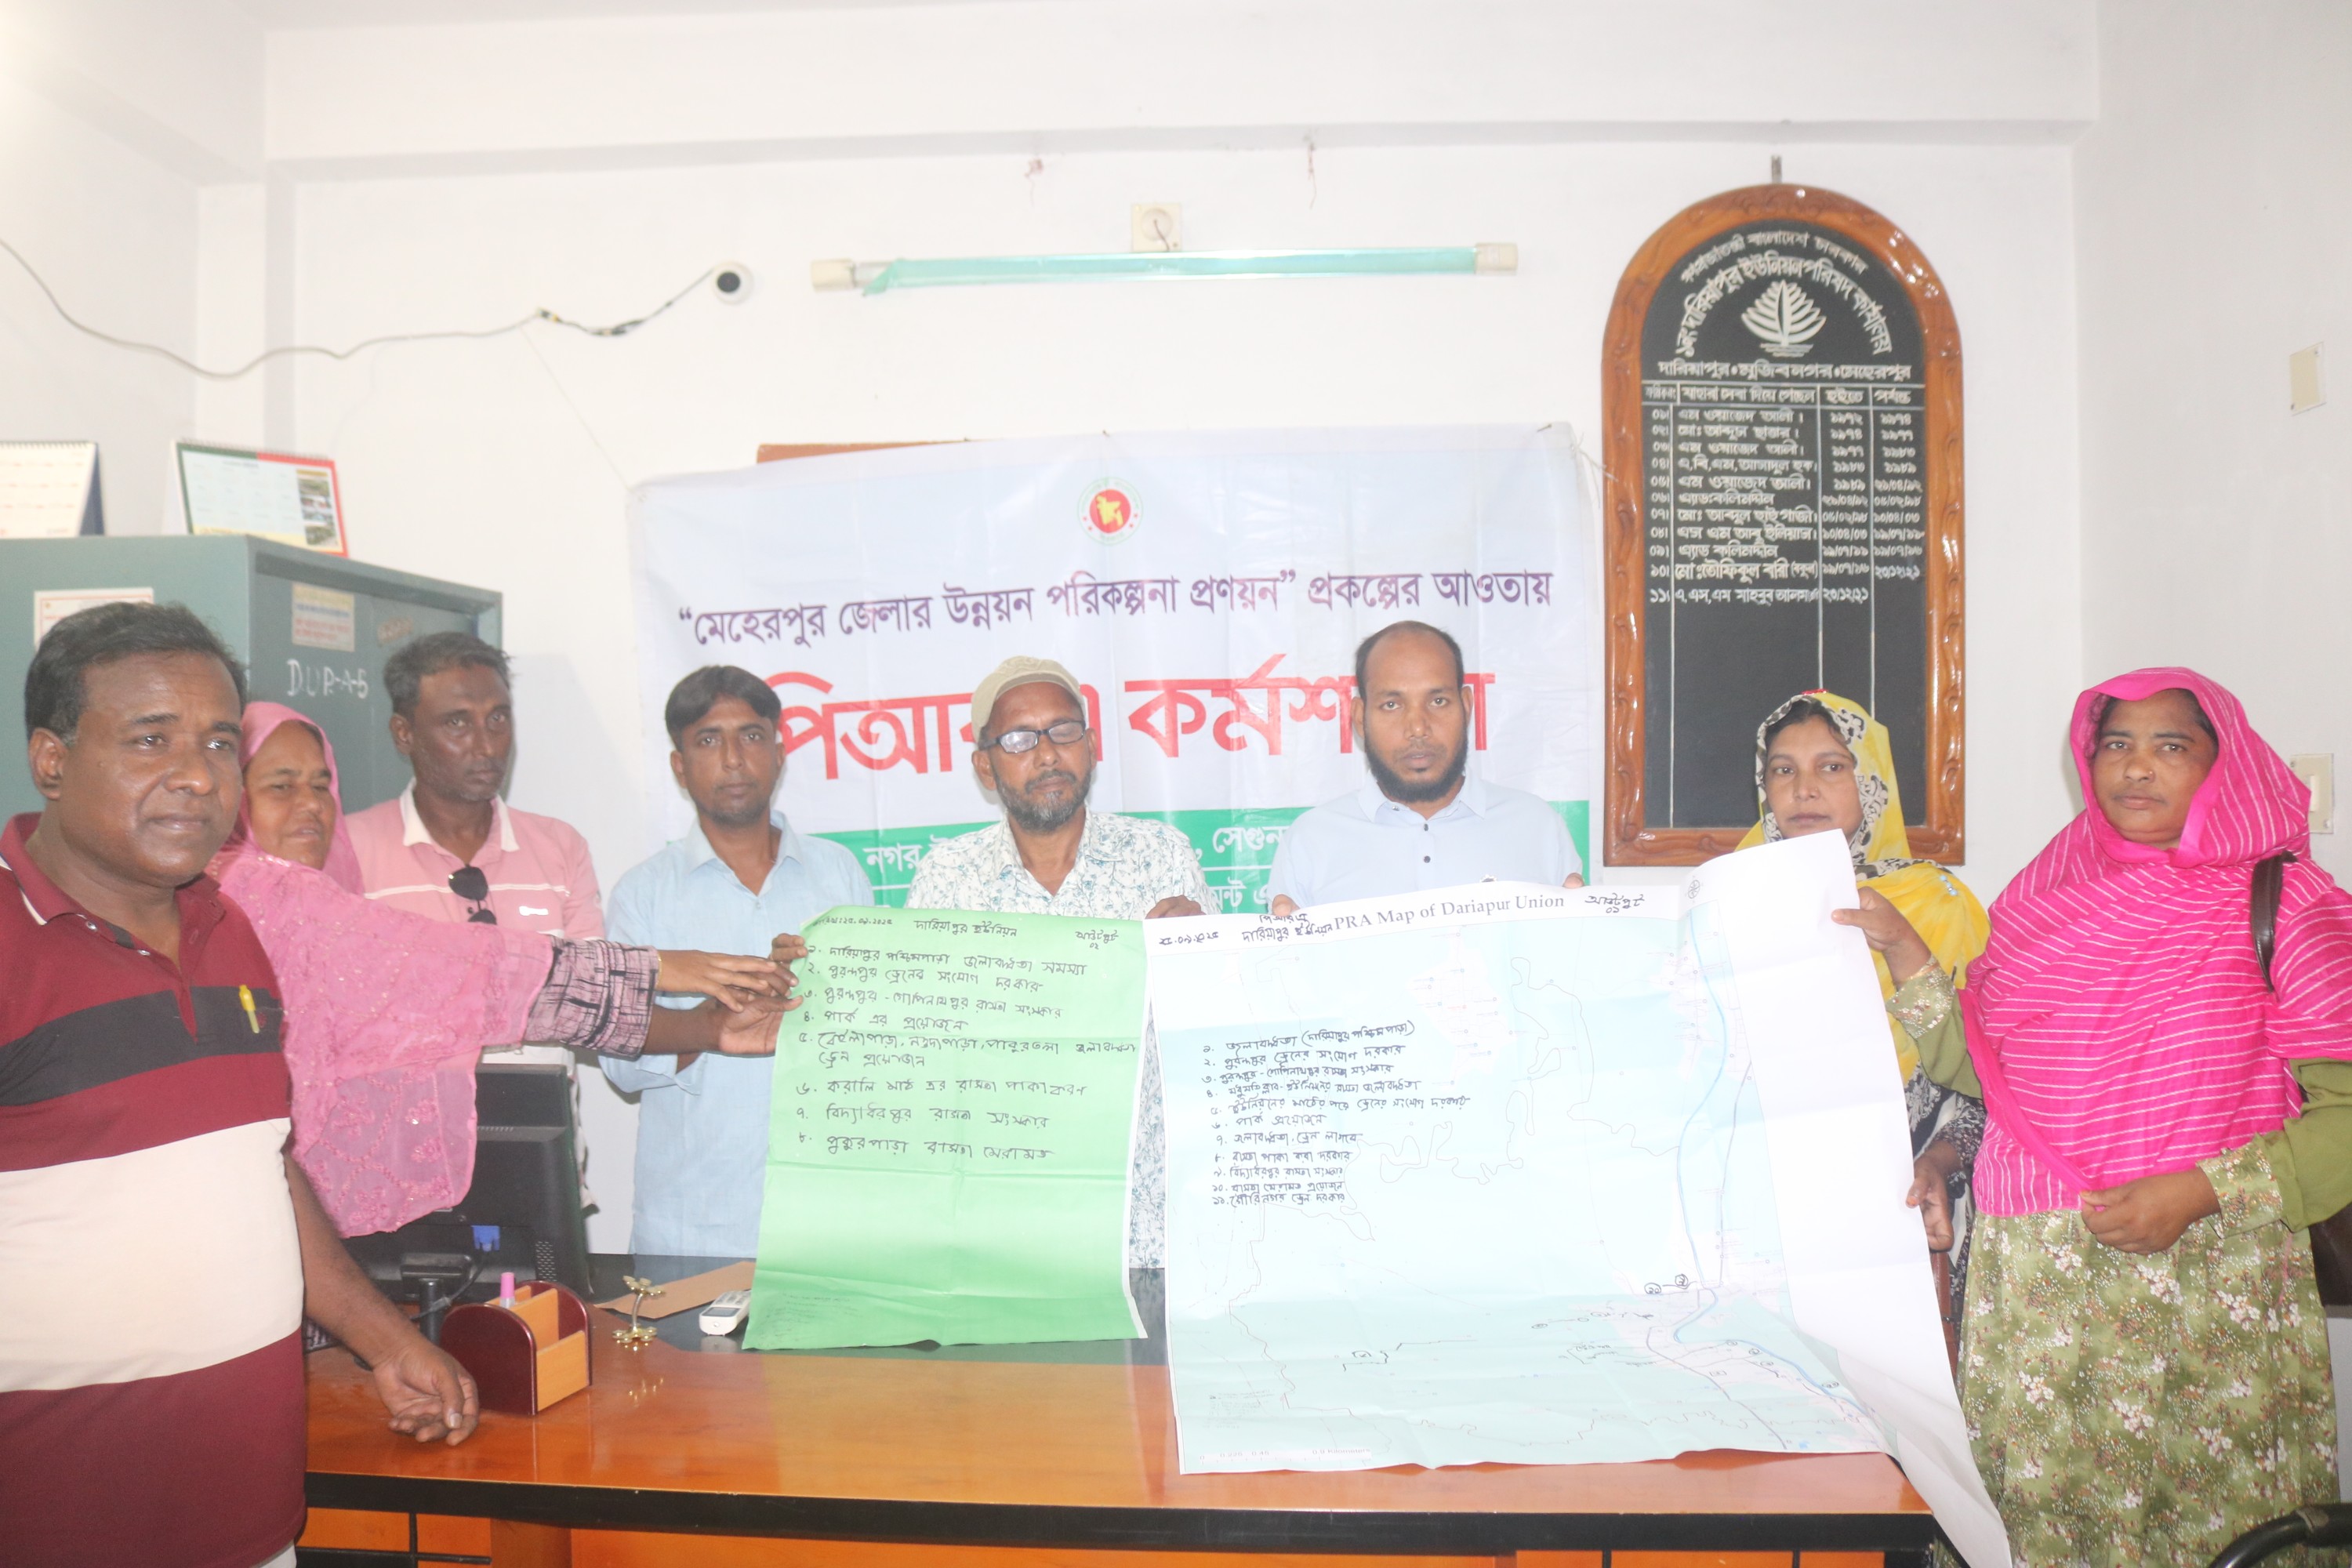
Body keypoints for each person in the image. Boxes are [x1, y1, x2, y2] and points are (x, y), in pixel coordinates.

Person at [0, 603, 475, 1568]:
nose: (197, 774)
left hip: (249, 1523)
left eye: (219, 742)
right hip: (52, 1524)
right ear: (51, 759)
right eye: (151, 739)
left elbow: (260, 1165)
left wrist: (386, 1339)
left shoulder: (233, 931)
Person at [1866, 669, 2352, 1563]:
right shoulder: (2045, 899)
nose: (2137, 766)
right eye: (2116, 744)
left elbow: (2347, 1115)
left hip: (2202, 1283)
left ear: (2223, 764)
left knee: (2200, 1526)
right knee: (2037, 1525)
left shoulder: (2287, 902)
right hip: (2036, 1293)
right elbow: (1988, 1073)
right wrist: (1903, 948)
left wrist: (2201, 1191)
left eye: (2172, 745)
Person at [219, 701, 790, 1238]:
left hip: (318, 1216)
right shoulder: (261, 900)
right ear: (229, 796)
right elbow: (476, 974)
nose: (312, 805)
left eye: (321, 785)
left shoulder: (316, 902)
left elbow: (495, 993)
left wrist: (703, 1026)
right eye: (280, 787)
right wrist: (657, 970)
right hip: (251, 1210)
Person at [908, 655, 1207, 1265]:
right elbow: (924, 1044)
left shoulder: (1161, 858)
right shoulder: (947, 879)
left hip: (1146, 1225)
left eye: (1064, 731)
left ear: (1091, 747)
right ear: (985, 767)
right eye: (1019, 739)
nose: (1047, 754)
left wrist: (1207, 953)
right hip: (1000, 1230)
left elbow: (1210, 1028)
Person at [1739, 691, 1990, 1338]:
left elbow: (1987, 1081)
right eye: (1782, 770)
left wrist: (1937, 1161)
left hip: (1903, 1206)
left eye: (1832, 767)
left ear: (1872, 783)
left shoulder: (1936, 903)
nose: (1804, 789)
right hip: (1762, 1212)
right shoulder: (1733, 899)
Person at [600, 667, 874, 1257]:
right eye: (708, 740)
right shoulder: (643, 895)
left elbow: (873, 1040)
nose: (732, 759)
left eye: (751, 736)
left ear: (779, 753)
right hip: (694, 1227)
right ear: (679, 767)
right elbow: (619, 1066)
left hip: (827, 1223)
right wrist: (712, 1022)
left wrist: (817, 997)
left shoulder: (838, 874)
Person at [345, 632, 604, 1066]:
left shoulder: (561, 848)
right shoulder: (350, 851)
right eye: (457, 723)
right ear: (404, 734)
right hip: (408, 1107)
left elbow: (592, 1004)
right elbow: (350, 1012)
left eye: (498, 719)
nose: (486, 746)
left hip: (540, 1108)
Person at [1268, 621, 1581, 913]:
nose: (1418, 728)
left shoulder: (1538, 828)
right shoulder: (1310, 842)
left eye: (1438, 701)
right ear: (1361, 718)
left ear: (1466, 707)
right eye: (1392, 705)